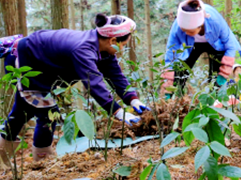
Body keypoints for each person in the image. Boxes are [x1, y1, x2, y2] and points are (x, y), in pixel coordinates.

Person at [0, 14, 147, 165]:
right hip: (24, 61)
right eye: (123, 44)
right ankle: (43, 164)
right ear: (113, 40)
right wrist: (117, 111)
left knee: (22, 112)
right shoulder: (83, 49)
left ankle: (1, 158)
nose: (122, 49)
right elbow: (93, 83)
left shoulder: (103, 48)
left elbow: (115, 74)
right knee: (48, 115)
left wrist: (132, 99)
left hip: (35, 63)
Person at [161, 0, 241, 95]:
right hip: (190, 46)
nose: (187, 33)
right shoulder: (177, 27)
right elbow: (171, 53)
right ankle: (175, 97)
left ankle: (215, 100)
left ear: (200, 24)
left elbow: (230, 45)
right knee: (181, 70)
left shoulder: (215, 21)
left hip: (216, 45)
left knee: (215, 77)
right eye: (184, 31)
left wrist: (224, 72)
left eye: (190, 31)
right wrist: (168, 83)